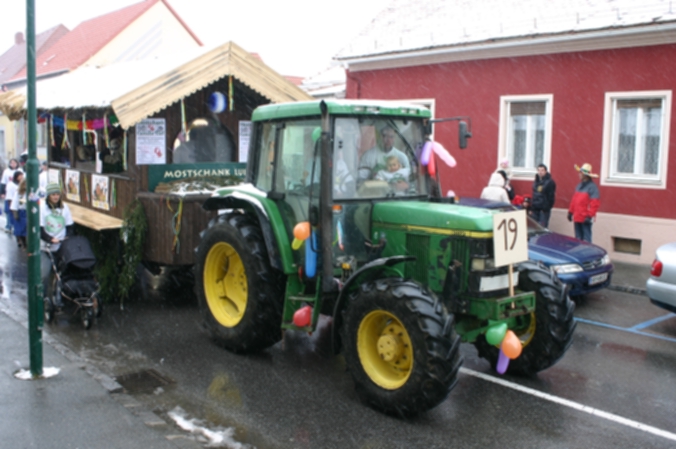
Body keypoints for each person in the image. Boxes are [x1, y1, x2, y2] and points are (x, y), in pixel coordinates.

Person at [40, 183, 74, 309]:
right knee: (45, 273)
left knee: (61, 274)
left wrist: (66, 237)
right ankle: (41, 298)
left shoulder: (65, 208)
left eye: (58, 194)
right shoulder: (43, 209)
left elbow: (70, 226)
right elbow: (40, 229)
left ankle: (60, 296)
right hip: (46, 247)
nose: (56, 197)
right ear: (49, 196)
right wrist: (50, 239)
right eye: (53, 195)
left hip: (60, 247)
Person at [568, 163, 600, 243]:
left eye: (581, 173)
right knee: (578, 239)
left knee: (586, 240)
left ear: (586, 175)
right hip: (577, 216)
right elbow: (574, 200)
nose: (579, 175)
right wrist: (570, 212)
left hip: (585, 218)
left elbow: (594, 203)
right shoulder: (579, 186)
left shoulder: (592, 187)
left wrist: (590, 215)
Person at [531, 163, 556, 227]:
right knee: (534, 228)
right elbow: (534, 195)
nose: (540, 172)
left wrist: (546, 207)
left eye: (542, 170)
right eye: (539, 170)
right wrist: (532, 208)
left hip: (543, 211)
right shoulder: (536, 181)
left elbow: (551, 197)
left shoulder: (549, 182)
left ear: (545, 171)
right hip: (535, 209)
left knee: (542, 228)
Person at [1, 158, 20, 232]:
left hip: (17, 193)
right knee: (8, 210)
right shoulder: (6, 171)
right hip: (9, 193)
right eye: (11, 163)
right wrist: (2, 192)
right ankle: (8, 225)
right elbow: (3, 182)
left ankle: (15, 225)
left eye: (14, 163)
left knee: (16, 210)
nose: (13, 164)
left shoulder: (20, 171)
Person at [10, 174, 27, 249]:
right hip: (21, 212)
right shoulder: (18, 193)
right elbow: (14, 203)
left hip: (29, 212)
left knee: (27, 230)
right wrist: (15, 213)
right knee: (20, 230)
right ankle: (22, 243)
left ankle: (27, 245)